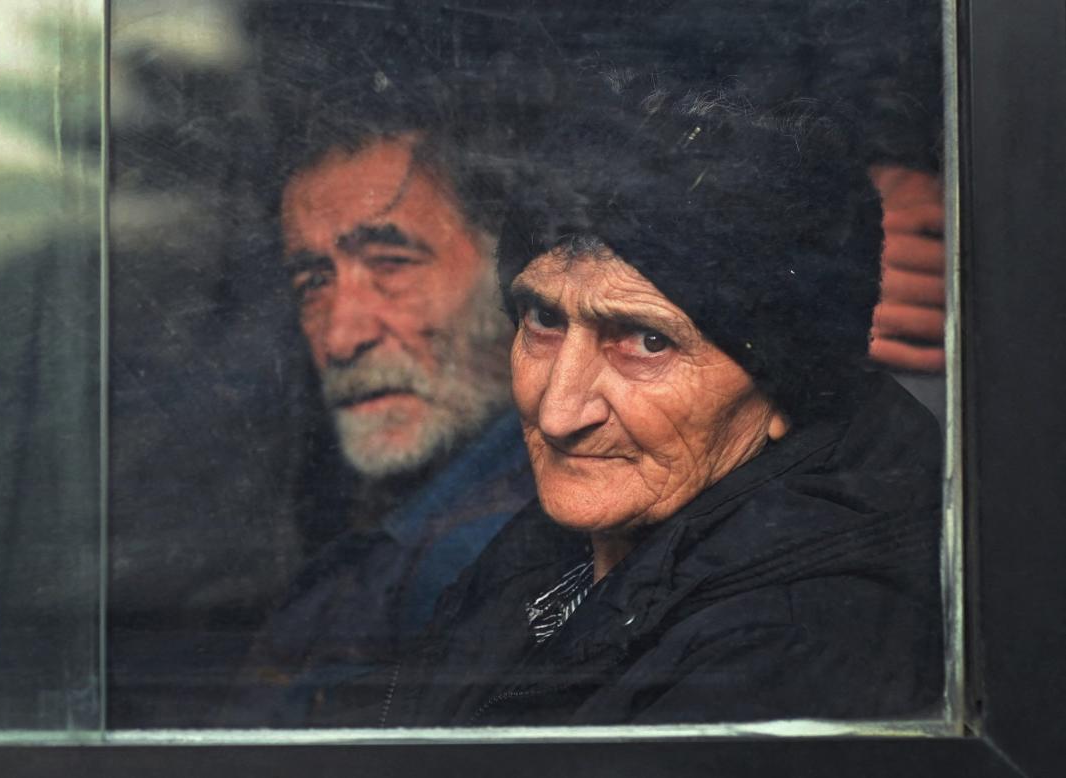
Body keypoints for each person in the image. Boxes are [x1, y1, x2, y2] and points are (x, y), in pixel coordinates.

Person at [370, 85, 944, 726]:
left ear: (788, 385)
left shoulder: (782, 652)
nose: (558, 413)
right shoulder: (586, 542)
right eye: (543, 318)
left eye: (648, 341)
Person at [221, 126, 536, 725]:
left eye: (392, 263)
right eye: (313, 281)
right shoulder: (390, 526)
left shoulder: (491, 558)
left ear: (513, 276)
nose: (341, 337)